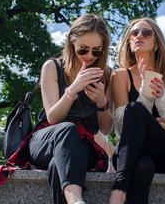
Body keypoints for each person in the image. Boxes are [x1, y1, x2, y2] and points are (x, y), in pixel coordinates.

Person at [19, 14, 114, 204]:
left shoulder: (106, 74)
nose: (89, 56)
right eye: (83, 49)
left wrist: (101, 102)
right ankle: (75, 200)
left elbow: (106, 129)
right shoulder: (52, 67)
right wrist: (72, 90)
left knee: (58, 165)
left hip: (82, 145)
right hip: (47, 138)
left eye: (96, 52)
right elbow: (53, 117)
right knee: (67, 130)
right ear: (72, 41)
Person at [109, 17, 165, 204]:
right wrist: (146, 93)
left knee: (134, 108)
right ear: (129, 42)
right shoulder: (120, 76)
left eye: (146, 32)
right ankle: (120, 190)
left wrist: (161, 96)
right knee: (142, 165)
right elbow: (121, 128)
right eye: (134, 33)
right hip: (129, 156)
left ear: (157, 41)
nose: (139, 36)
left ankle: (118, 190)